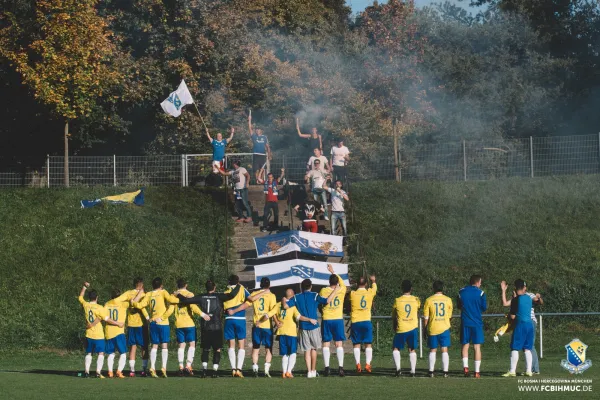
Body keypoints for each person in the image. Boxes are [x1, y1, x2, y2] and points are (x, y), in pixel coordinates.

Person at [176, 280, 242, 378]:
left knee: (205, 349)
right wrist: (238, 286)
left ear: (206, 287)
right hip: (217, 327)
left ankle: (204, 371)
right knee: (217, 350)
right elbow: (231, 295)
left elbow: (186, 300)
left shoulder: (201, 297)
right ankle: (214, 371)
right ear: (214, 287)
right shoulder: (219, 296)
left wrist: (178, 295)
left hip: (205, 327)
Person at [283, 279, 340, 378]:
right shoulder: (314, 295)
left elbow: (285, 306)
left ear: (301, 287)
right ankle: (313, 370)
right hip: (314, 326)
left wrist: (285, 299)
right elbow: (327, 301)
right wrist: (335, 290)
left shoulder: (296, 297)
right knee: (314, 349)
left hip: (303, 327)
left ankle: (309, 371)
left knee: (307, 350)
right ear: (311, 286)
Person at [226, 277, 278, 377]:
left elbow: (246, 305)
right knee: (268, 348)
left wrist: (234, 311)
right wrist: (276, 321)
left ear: (260, 285)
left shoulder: (254, 294)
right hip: (267, 326)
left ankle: (255, 368)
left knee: (256, 348)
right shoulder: (272, 296)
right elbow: (273, 311)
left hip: (256, 325)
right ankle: (266, 370)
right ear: (269, 285)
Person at [131, 277, 180, 378]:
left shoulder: (149, 294)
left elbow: (141, 306)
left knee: (154, 345)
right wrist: (177, 296)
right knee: (164, 345)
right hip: (163, 322)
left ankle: (152, 367)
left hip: (153, 322)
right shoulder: (163, 292)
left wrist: (134, 303)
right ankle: (163, 367)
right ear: (161, 285)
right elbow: (171, 300)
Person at [78, 282, 122, 378]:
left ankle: (86, 372)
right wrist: (118, 323)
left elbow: (80, 297)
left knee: (89, 353)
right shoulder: (99, 307)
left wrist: (84, 287)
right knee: (101, 353)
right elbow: (106, 319)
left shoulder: (86, 305)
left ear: (89, 297)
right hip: (98, 335)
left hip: (88, 334)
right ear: (97, 297)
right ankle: (98, 372)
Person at [501, 280, 543, 374]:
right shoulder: (528, 298)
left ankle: (512, 371)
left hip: (521, 324)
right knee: (527, 348)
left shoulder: (516, 300)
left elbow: (512, 316)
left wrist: (509, 317)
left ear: (515, 289)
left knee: (515, 347)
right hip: (529, 325)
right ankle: (529, 371)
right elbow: (536, 302)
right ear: (524, 288)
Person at [273, 289, 315, 378]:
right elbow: (299, 317)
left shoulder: (278, 304)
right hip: (291, 333)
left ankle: (284, 372)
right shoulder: (293, 306)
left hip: (281, 332)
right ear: (292, 296)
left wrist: (276, 322)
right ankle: (289, 371)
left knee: (285, 354)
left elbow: (273, 313)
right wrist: (309, 319)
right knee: (293, 353)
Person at [173, 279, 210, 376]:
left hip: (179, 323)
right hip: (189, 323)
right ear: (186, 285)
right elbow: (193, 306)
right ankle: (188, 366)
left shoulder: (174, 295)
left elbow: (170, 308)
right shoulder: (189, 294)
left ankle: (180, 367)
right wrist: (202, 314)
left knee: (181, 345)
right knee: (192, 344)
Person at [319, 264, 347, 377]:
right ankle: (340, 368)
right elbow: (342, 283)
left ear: (329, 281)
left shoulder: (323, 290)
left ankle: (327, 368)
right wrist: (333, 271)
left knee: (326, 343)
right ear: (337, 282)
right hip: (338, 319)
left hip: (327, 318)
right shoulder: (341, 290)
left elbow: (321, 303)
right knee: (338, 343)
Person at [458, 274, 487, 378]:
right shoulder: (481, 293)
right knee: (476, 347)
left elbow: (459, 305)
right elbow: (484, 308)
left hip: (465, 322)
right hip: (476, 323)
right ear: (478, 282)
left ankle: (466, 368)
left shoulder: (461, 291)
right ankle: (477, 372)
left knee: (465, 345)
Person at [423, 281, 453, 378]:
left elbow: (426, 318)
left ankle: (431, 371)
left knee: (433, 349)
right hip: (444, 327)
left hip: (433, 327)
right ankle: (445, 372)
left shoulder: (429, 300)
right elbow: (449, 316)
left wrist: (424, 329)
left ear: (433, 288)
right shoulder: (448, 300)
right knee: (444, 349)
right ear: (442, 288)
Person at [392, 280, 420, 377]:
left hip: (402, 327)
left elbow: (394, 315)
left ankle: (398, 369)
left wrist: (394, 325)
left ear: (401, 288)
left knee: (396, 348)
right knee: (412, 349)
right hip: (413, 327)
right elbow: (417, 310)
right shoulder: (416, 299)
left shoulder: (397, 300)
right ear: (411, 289)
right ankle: (413, 371)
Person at [123, 277, 150, 377]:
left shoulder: (128, 293)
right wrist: (148, 318)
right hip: (141, 324)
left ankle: (132, 370)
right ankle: (144, 370)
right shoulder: (144, 294)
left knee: (132, 347)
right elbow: (143, 307)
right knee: (144, 347)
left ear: (134, 284)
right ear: (142, 284)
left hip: (131, 324)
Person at [350, 275, 377, 373]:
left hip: (356, 321)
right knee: (368, 344)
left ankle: (358, 364)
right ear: (366, 284)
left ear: (357, 284)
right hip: (366, 321)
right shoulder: (370, 292)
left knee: (356, 344)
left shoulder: (353, 294)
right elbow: (375, 288)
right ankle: (368, 364)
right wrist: (373, 281)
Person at [104, 289, 130, 379]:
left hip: (109, 331)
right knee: (123, 353)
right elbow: (133, 302)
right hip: (119, 331)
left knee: (111, 353)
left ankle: (110, 372)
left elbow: (105, 317)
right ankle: (119, 371)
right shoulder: (123, 304)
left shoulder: (107, 304)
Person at [248, 110, 271, 183]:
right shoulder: (254, 136)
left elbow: (267, 147)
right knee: (256, 169)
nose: (257, 130)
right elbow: (250, 128)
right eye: (256, 129)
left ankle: (261, 180)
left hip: (263, 155)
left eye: (258, 130)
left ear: (261, 131)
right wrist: (249, 120)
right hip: (256, 154)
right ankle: (257, 180)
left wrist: (269, 154)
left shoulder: (264, 137)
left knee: (263, 169)